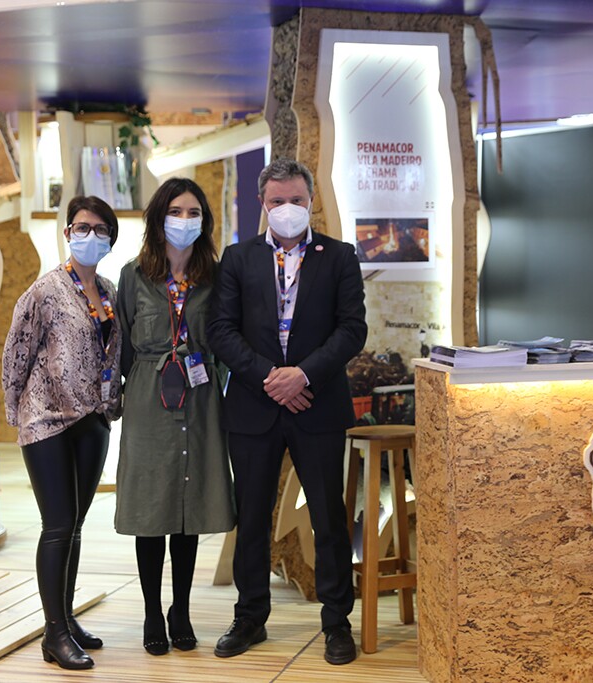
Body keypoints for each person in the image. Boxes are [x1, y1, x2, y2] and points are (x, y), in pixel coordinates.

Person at [208, 158, 367, 665]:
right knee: (251, 517)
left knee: (329, 518)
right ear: (263, 203)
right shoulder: (238, 258)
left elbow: (352, 329)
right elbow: (221, 330)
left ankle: (337, 622)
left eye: (296, 200)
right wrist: (270, 378)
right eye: (278, 201)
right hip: (253, 406)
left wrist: (302, 375)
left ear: (310, 201)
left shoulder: (339, 256)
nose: (288, 208)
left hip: (316, 404)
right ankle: (250, 617)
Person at [115, 177, 235, 656]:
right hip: (149, 400)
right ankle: (151, 611)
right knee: (151, 510)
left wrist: (213, 380)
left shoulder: (216, 277)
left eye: (193, 212)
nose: (184, 220)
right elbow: (122, 345)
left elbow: (226, 338)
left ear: (204, 221)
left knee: (189, 509)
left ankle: (180, 610)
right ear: (158, 218)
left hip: (200, 399)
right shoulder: (133, 275)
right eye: (176, 211)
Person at [2, 195, 121, 671]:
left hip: (93, 420)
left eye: (99, 229)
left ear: (110, 238)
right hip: (47, 420)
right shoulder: (45, 290)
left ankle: (67, 619)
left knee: (74, 525)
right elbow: (16, 352)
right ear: (68, 233)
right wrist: (17, 410)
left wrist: (111, 406)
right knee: (56, 525)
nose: (90, 235)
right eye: (81, 227)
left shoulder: (109, 291)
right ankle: (53, 635)